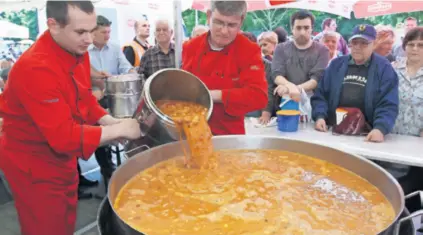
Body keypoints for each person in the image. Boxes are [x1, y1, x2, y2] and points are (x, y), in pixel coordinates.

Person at [0, 1, 142, 235]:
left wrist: (108, 121)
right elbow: (63, 137)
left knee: (65, 218)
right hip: (32, 163)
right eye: (81, 32)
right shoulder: (35, 68)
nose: (89, 39)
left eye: (91, 30)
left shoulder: (77, 51)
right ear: (53, 25)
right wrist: (121, 130)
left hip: (63, 159)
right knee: (45, 226)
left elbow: (84, 98)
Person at [182, 0, 267, 135]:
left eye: (232, 25)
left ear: (242, 21)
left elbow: (258, 96)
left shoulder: (249, 50)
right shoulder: (190, 47)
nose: (224, 31)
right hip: (192, 131)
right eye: (218, 22)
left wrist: (211, 95)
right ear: (209, 16)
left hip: (229, 134)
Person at [311, 24, 399, 143]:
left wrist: (380, 128)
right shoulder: (336, 65)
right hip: (333, 132)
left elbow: (388, 103)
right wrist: (320, 117)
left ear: (373, 44)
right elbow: (320, 95)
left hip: (367, 135)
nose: (358, 47)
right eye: (355, 42)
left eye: (364, 43)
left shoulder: (384, 68)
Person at [273, 10, 329, 101]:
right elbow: (277, 75)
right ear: (292, 28)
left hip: (313, 101)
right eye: (298, 28)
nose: (302, 32)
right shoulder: (280, 49)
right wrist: (290, 86)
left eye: (306, 28)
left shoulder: (322, 50)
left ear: (312, 28)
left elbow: (316, 79)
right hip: (285, 99)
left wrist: (292, 88)